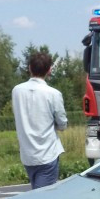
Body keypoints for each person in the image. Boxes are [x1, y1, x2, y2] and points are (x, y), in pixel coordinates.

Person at [12, 52, 68, 189]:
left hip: (27, 154)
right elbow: (62, 124)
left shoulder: (16, 91)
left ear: (29, 68)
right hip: (47, 153)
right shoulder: (53, 94)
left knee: (36, 191)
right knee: (43, 196)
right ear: (49, 70)